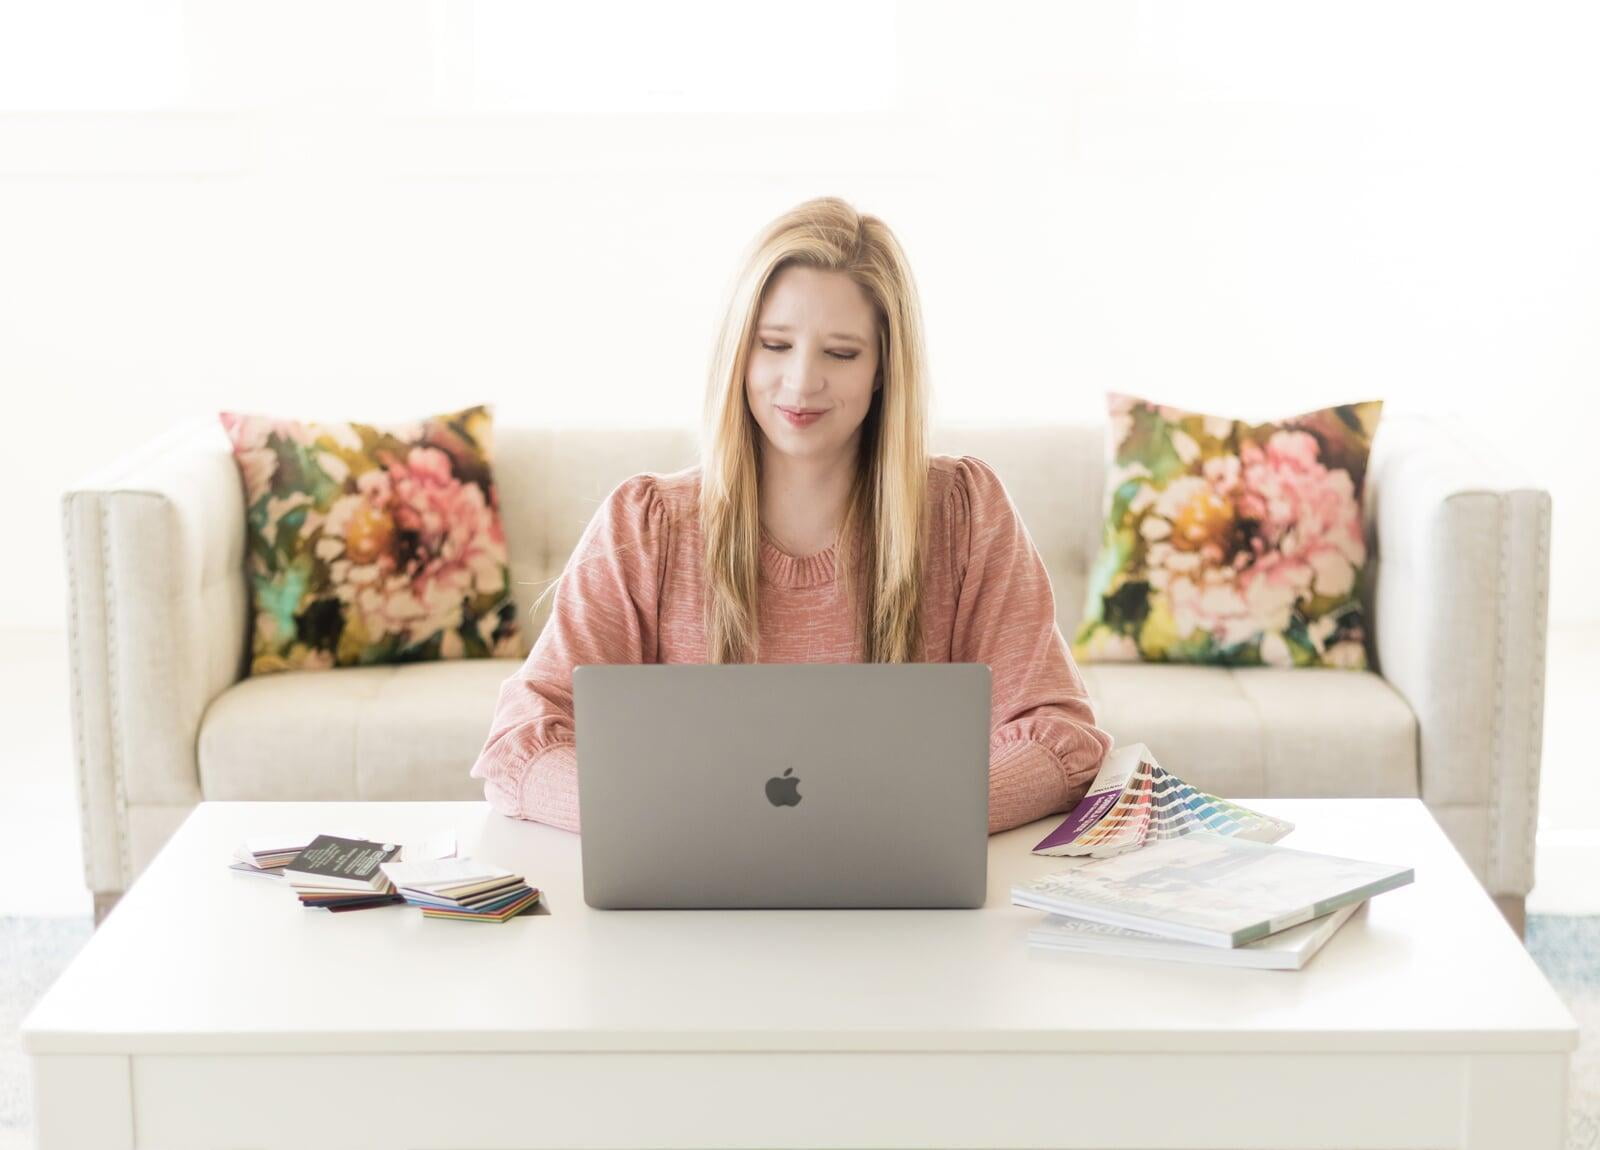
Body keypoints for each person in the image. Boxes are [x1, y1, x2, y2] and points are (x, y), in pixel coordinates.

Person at [469, 195, 1112, 835]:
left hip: (898, 906)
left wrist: (897, 819)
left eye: (841, 353)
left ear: (886, 366)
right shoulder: (647, 526)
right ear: (738, 352)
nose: (801, 384)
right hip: (696, 904)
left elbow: (1061, 739)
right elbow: (520, 746)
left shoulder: (964, 514)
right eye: (775, 344)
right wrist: (673, 819)